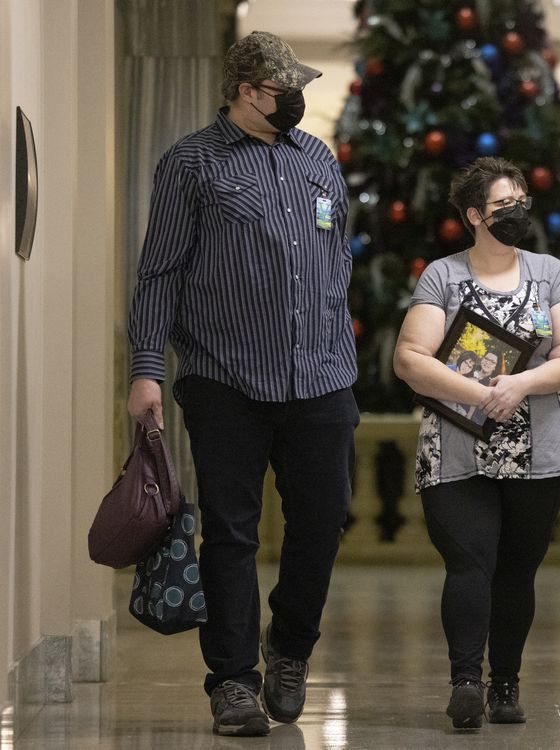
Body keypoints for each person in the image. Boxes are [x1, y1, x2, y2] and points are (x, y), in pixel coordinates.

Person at [126, 31, 359, 737]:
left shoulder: (318, 158)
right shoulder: (191, 163)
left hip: (321, 377)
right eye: (282, 89)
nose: (296, 100)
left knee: (323, 521)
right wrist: (146, 369)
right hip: (225, 377)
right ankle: (231, 680)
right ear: (244, 90)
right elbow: (159, 271)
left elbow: (338, 251)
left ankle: (289, 646)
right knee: (229, 533)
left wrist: (331, 327)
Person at [393, 157, 560, 730]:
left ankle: (505, 683)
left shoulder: (550, 272)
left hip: (539, 450)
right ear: (475, 215)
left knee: (517, 571)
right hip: (457, 446)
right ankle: (464, 684)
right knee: (469, 563)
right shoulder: (443, 276)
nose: (518, 212)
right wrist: (482, 397)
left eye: (522, 200)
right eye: (504, 206)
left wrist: (522, 384)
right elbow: (409, 358)